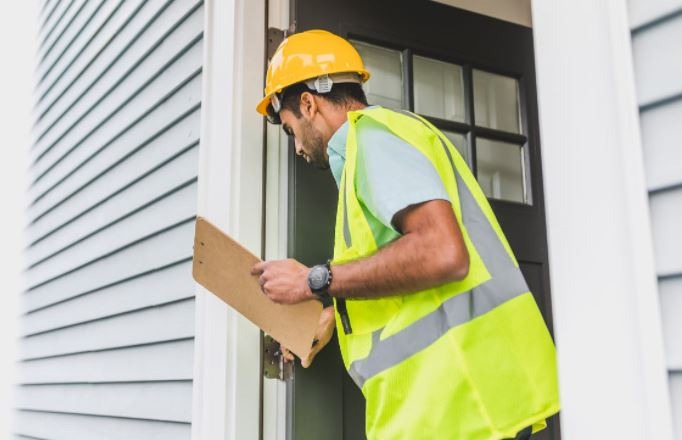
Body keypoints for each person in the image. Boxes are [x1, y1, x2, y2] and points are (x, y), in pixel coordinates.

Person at [251, 29, 560, 440]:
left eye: (290, 130)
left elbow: (442, 253)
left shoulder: (374, 140)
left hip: (459, 404)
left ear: (308, 103)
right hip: (458, 405)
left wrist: (314, 281)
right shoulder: (382, 142)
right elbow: (406, 272)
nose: (297, 149)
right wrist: (333, 316)